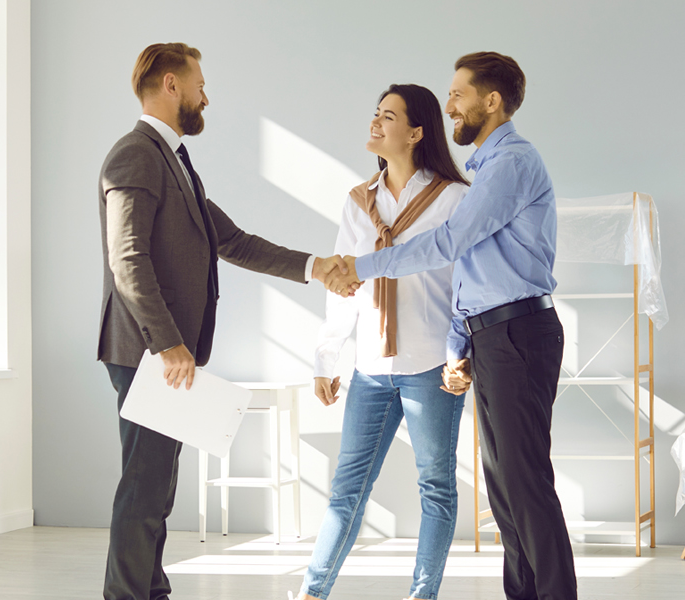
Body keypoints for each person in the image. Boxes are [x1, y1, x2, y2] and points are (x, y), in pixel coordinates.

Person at [97, 42, 349, 600]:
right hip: (147, 353)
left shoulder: (175, 162)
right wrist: (167, 344)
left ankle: (147, 589)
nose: (205, 95)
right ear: (170, 84)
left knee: (158, 484)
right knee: (145, 484)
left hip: (166, 354)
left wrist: (317, 268)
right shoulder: (135, 155)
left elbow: (231, 241)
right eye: (199, 84)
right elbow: (127, 259)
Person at [328, 52, 577, 600]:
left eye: (459, 95)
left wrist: (360, 266)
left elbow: (450, 244)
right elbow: (473, 272)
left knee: (526, 483)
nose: (450, 106)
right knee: (504, 489)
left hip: (520, 333)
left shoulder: (510, 162)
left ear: (492, 102)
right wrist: (459, 341)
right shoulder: (488, 168)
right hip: (494, 334)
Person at [295, 83, 470, 600]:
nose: (375, 123)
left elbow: (467, 285)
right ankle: (312, 593)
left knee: (435, 487)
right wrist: (327, 355)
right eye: (375, 113)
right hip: (370, 366)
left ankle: (423, 595)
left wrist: (462, 356)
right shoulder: (357, 203)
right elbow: (342, 284)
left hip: (430, 365)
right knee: (347, 489)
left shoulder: (455, 200)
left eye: (388, 116)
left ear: (416, 133)